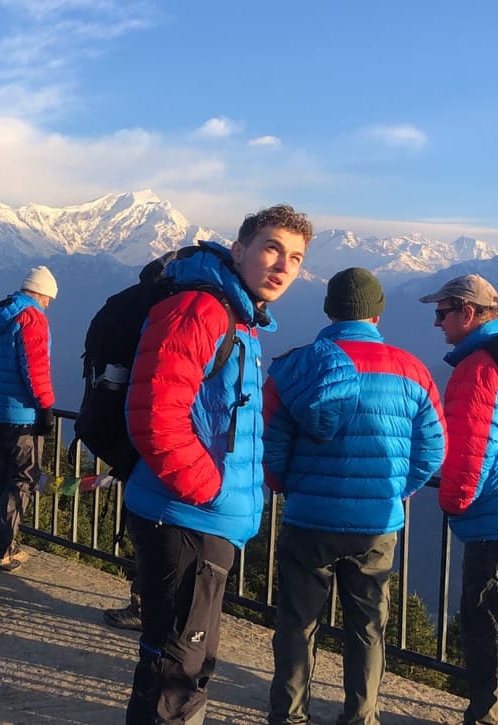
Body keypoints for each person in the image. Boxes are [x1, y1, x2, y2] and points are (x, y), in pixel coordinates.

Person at [123, 205, 312, 724]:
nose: (283, 266)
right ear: (239, 249)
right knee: (177, 672)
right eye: (272, 248)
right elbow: (154, 415)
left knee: (181, 662)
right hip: (187, 517)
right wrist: (209, 490)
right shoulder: (202, 310)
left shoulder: (239, 317)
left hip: (200, 518)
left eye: (295, 258)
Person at [264, 267, 446, 725]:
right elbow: (432, 449)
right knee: (367, 627)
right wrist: (394, 490)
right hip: (377, 524)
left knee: (297, 622)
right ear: (377, 315)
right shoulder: (412, 370)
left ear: (329, 312)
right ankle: (361, 717)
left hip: (309, 518)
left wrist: (291, 487)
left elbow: (272, 444)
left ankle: (289, 715)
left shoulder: (300, 367)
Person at [419, 273, 498, 725]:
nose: (437, 323)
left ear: (467, 313)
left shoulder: (480, 366)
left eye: (442, 312)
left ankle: (486, 714)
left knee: (485, 622)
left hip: (492, 522)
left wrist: (453, 501)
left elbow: (472, 447)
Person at [0, 265, 57, 572]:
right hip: (22, 412)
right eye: (48, 299)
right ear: (41, 293)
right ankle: (2, 548)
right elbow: (36, 368)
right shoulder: (32, 317)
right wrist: (46, 407)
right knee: (23, 478)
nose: (47, 305)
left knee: (0, 476)